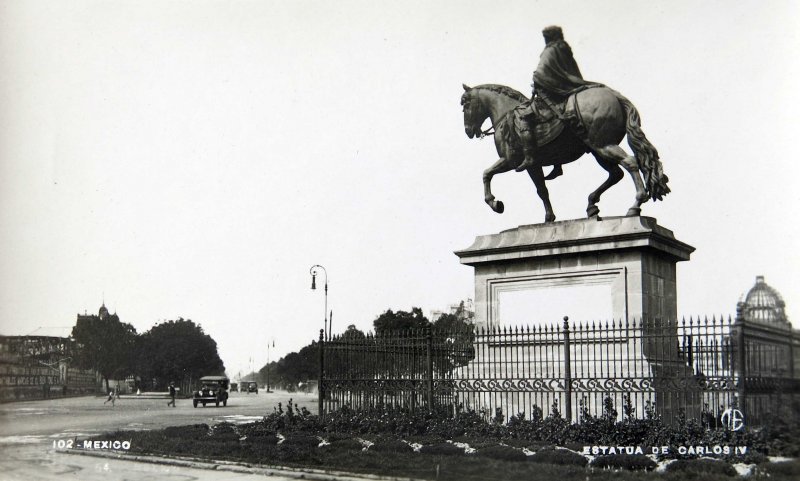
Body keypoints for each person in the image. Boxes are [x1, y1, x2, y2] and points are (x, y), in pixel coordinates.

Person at [516, 26, 599, 172]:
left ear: (549, 37)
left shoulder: (549, 50)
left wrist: (536, 79)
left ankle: (529, 157)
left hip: (552, 92)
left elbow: (541, 72)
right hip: (567, 89)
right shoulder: (563, 49)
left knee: (524, 116)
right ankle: (557, 163)